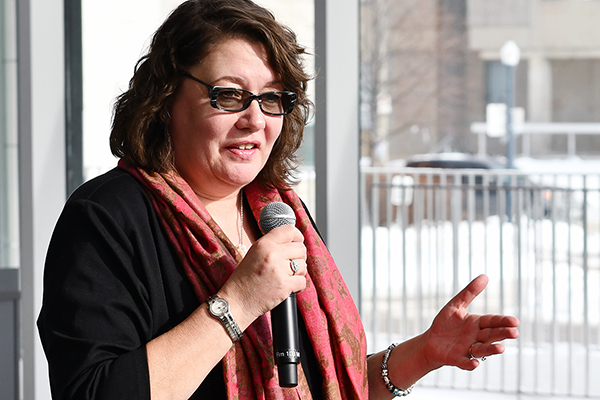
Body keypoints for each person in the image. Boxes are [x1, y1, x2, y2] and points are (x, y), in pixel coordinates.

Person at [37, 0, 520, 399]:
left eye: (272, 98)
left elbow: (318, 384)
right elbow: (92, 391)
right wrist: (236, 304)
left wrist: (424, 353)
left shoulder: (278, 214)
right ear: (165, 99)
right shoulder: (104, 217)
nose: (255, 119)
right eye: (229, 95)